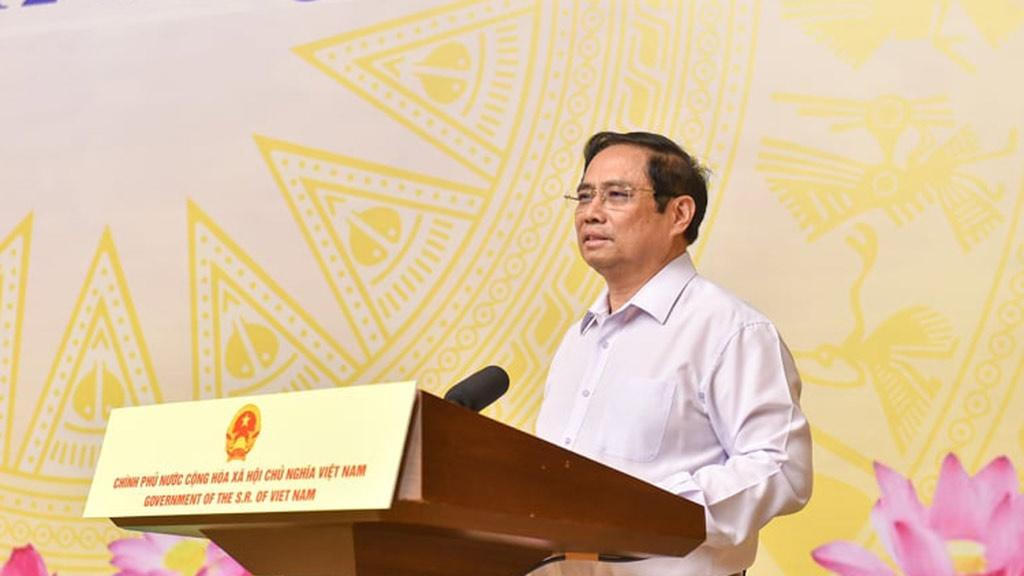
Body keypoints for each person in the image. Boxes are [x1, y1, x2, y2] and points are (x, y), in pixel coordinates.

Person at [534, 131, 813, 576]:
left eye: (616, 195)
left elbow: (780, 468)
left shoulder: (730, 330)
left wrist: (651, 509)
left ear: (679, 213)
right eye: (584, 196)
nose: (591, 212)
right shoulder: (578, 340)